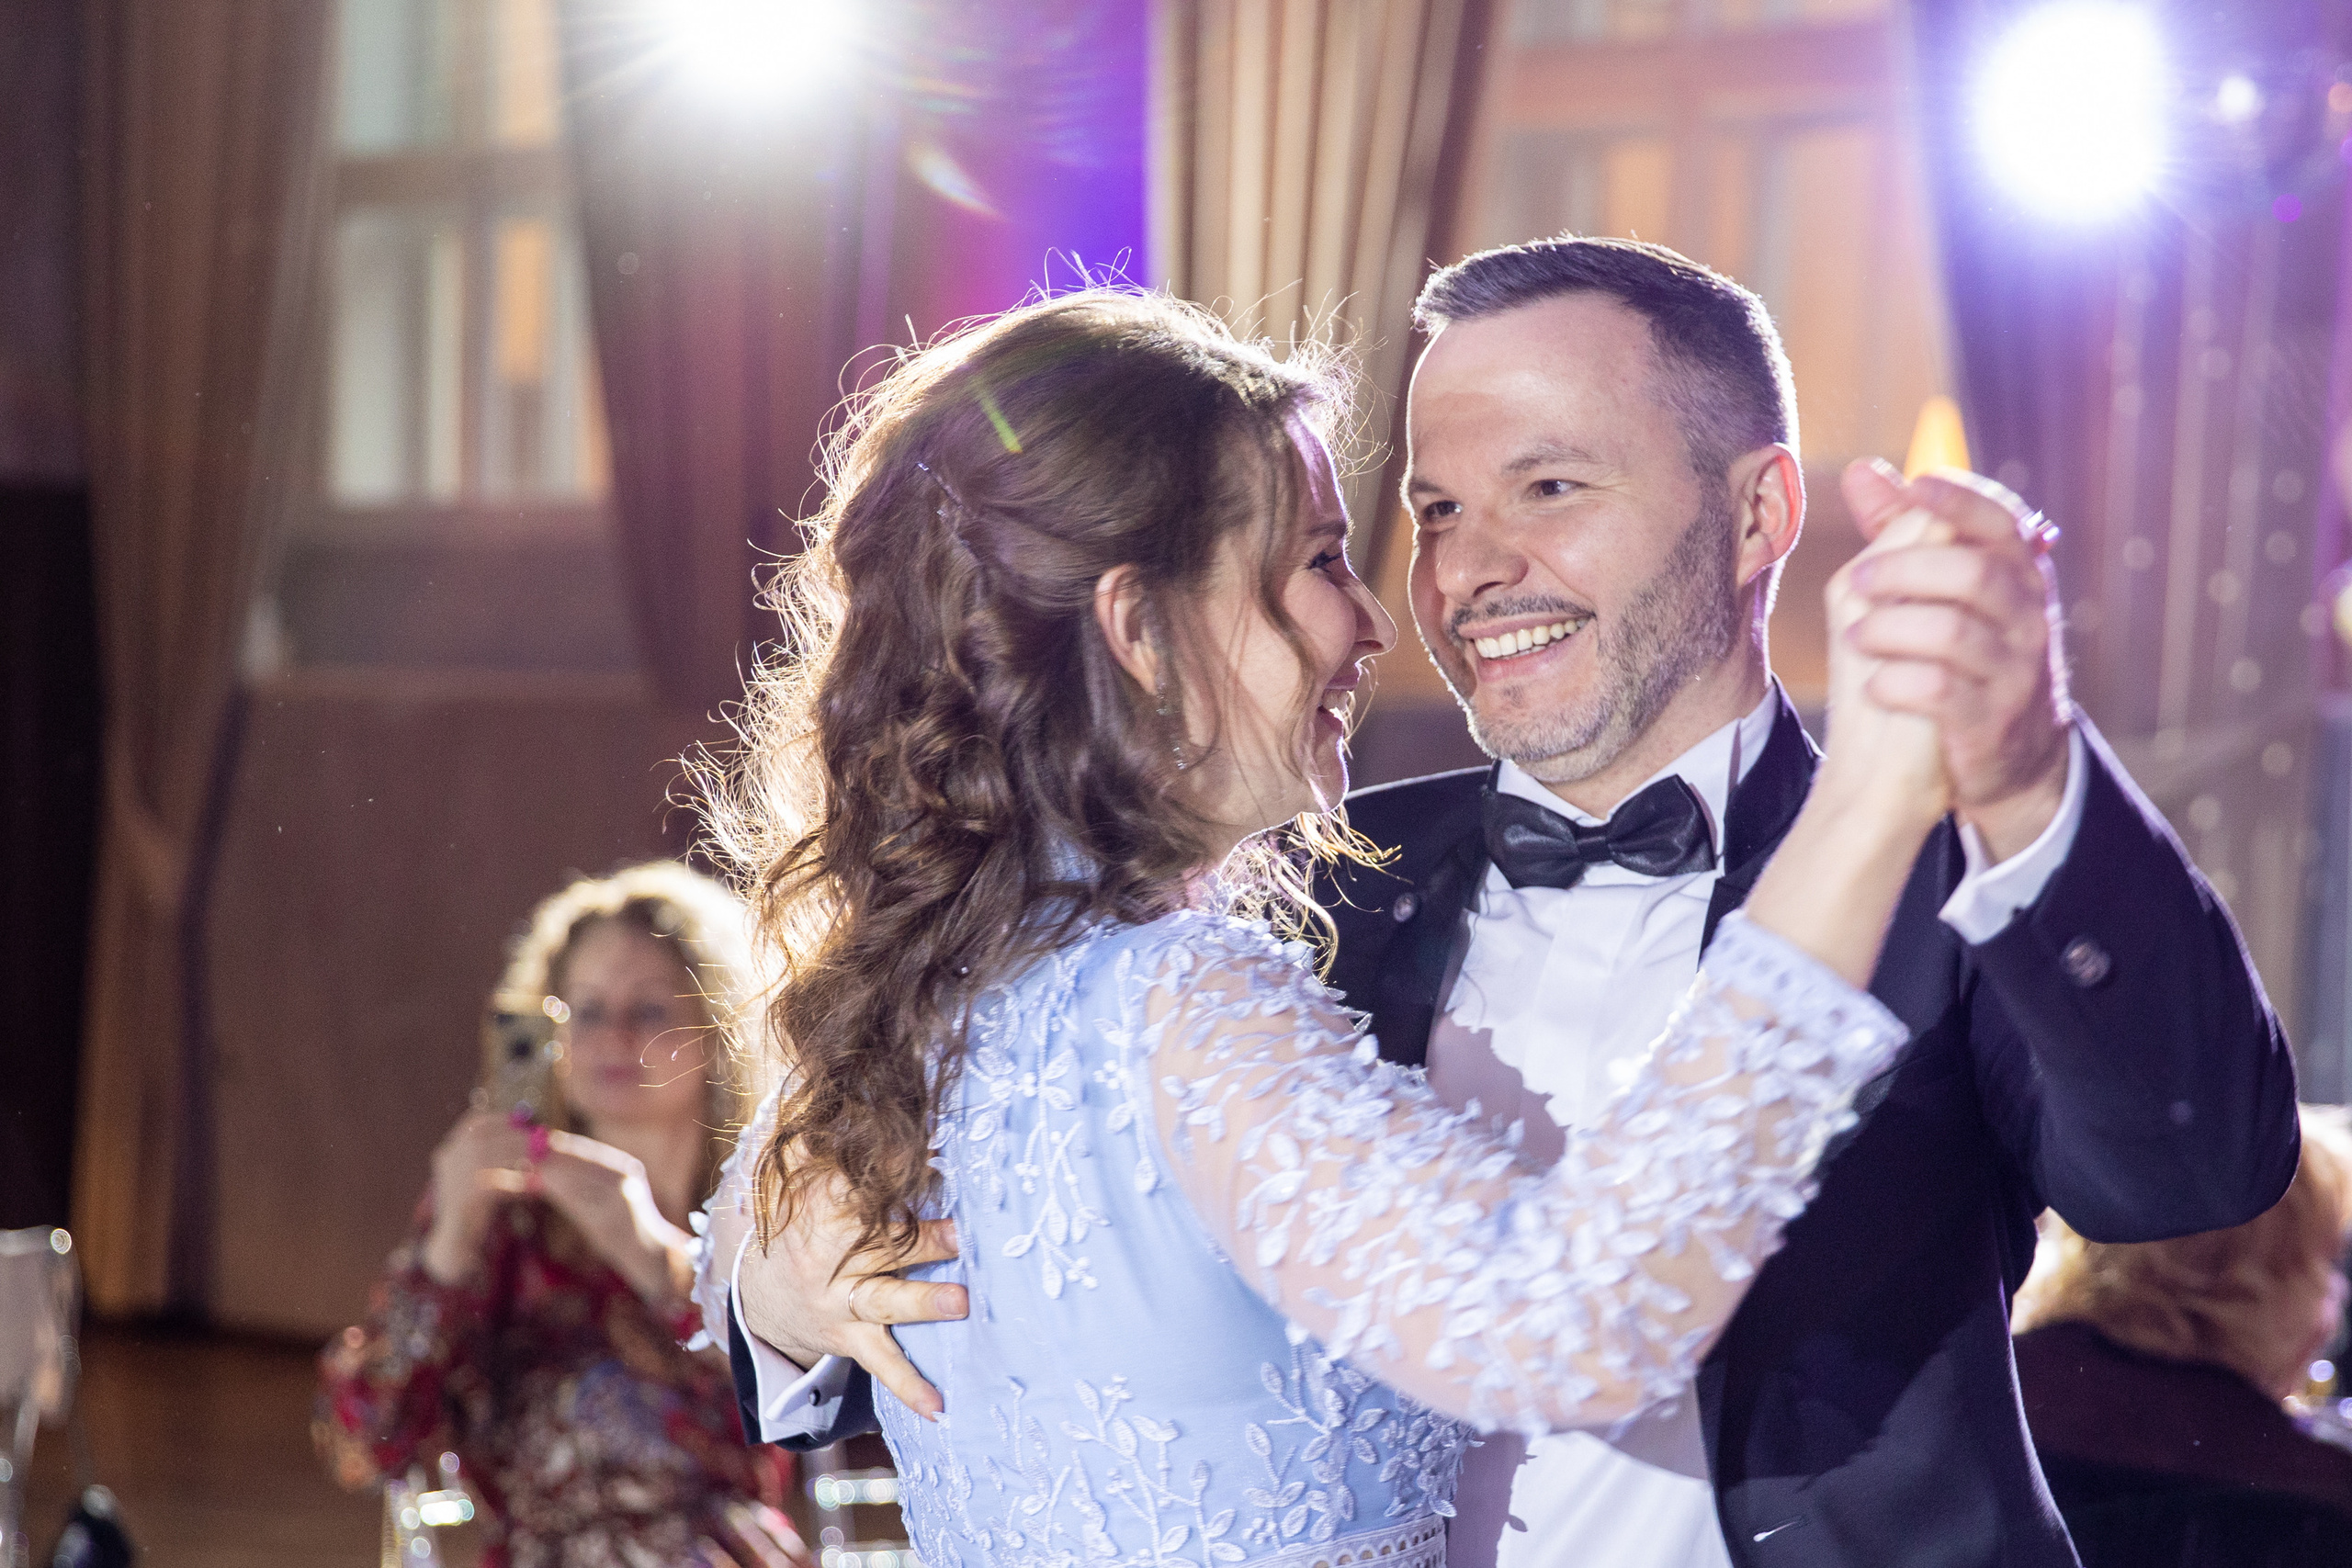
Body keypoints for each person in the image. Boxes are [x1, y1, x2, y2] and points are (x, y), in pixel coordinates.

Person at [717, 241, 2302, 1568]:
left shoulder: (1944, 882)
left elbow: (2197, 1167)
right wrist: (772, 1291)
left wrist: (2016, 777)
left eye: (1547, 484)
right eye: (1432, 513)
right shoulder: (1270, 911)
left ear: (1757, 515)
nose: (1464, 573)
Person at [317, 863, 809, 1568]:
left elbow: (818, 1406)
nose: (612, 1037)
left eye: (648, 1010)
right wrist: (448, 1246)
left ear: (715, 1027)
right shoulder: (501, 1215)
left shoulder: (765, 1203)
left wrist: (658, 1259)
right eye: (583, 1010)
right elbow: (364, 1444)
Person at [2010, 1105, 2352, 1566]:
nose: (2337, 1293)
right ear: (2269, 1276)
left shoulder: (1991, 1391)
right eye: (2326, 1260)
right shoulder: (2311, 1495)